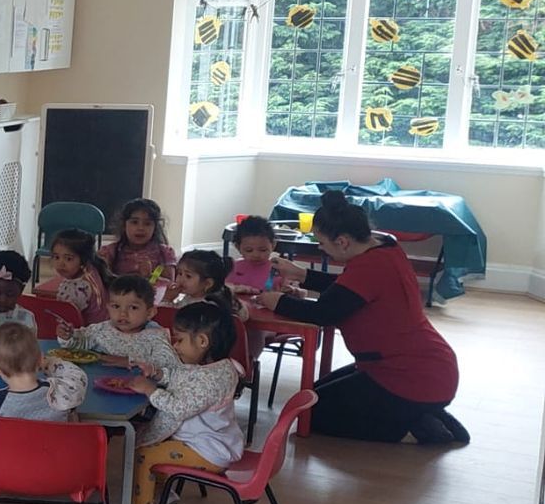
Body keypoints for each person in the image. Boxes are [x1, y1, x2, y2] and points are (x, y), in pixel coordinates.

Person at [254, 189, 466, 445]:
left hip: (411, 377)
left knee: (312, 415)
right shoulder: (384, 246)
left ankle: (413, 425)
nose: (322, 249)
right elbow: (348, 289)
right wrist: (303, 275)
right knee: (310, 397)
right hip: (413, 368)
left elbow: (324, 313)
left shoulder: (369, 267)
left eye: (322, 243)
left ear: (342, 241)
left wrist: (278, 301)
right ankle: (419, 412)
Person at [113, 299, 244, 504]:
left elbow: (178, 407)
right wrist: (157, 373)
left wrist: (150, 390)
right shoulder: (211, 367)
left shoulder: (212, 379)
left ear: (203, 341)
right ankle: (162, 494)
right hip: (207, 443)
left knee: (144, 454)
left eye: (180, 340)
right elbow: (182, 377)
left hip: (209, 451)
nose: (175, 346)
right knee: (150, 444)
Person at [0, 322, 89, 448]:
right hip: (54, 466)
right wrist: (48, 363)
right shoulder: (61, 392)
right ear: (40, 359)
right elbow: (77, 375)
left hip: (9, 469)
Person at [71, 275, 178, 374]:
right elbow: (80, 342)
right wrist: (68, 335)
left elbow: (168, 362)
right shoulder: (101, 329)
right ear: (108, 308)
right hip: (99, 381)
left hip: (139, 388)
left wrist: (130, 361)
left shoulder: (156, 336)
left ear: (149, 313)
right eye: (116, 306)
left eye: (133, 307)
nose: (123, 313)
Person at [35, 227, 108, 321]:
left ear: (83, 259)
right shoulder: (93, 270)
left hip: (86, 331)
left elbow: (64, 318)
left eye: (68, 258)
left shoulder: (77, 287)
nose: (61, 263)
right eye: (56, 257)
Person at [102, 197, 179, 280]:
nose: (140, 228)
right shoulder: (110, 252)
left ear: (155, 228)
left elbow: (170, 286)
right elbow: (104, 284)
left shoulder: (165, 253)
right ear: (124, 225)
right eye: (134, 222)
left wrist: (150, 276)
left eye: (147, 223)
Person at [172, 248, 242, 318]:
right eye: (180, 273)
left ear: (208, 283)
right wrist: (169, 299)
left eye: (188, 276)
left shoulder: (208, 307)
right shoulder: (189, 297)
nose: (181, 279)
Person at [226, 216, 281, 294]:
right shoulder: (233, 267)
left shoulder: (278, 270)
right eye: (249, 250)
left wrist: (291, 290)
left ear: (273, 245)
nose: (256, 255)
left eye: (263, 250)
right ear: (238, 247)